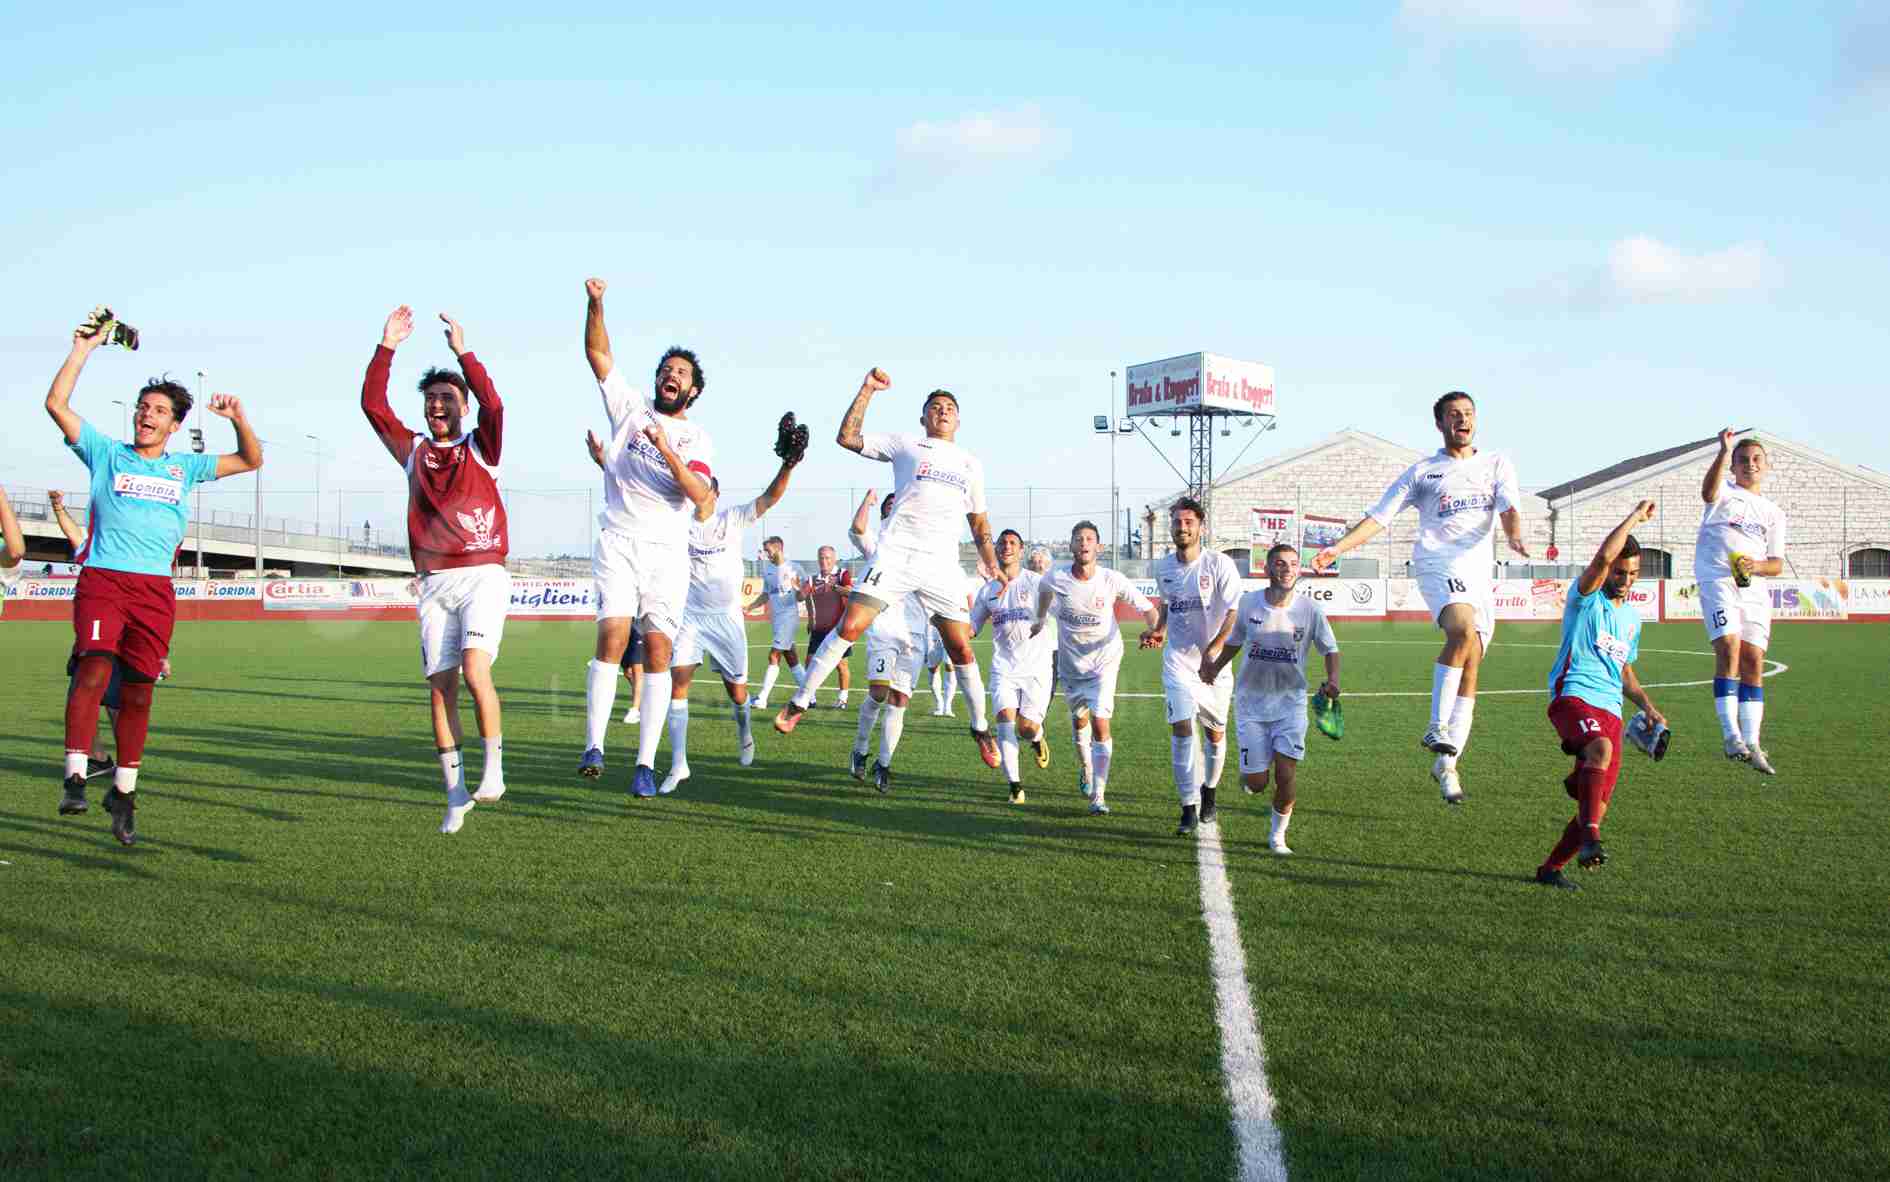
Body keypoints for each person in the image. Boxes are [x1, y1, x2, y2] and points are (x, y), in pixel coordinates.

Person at [47, 316, 262, 844]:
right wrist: (84, 350)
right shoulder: (105, 452)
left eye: (159, 412)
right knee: (94, 669)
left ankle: (123, 793)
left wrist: (238, 418)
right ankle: (75, 775)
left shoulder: (184, 469)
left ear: (174, 425)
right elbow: (57, 405)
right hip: (103, 579)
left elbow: (252, 459)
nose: (147, 415)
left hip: (154, 591)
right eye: (144, 408)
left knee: (140, 693)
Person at [774, 369, 1002, 775]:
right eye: (935, 407)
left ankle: (981, 728)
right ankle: (801, 700)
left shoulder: (970, 463)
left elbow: (980, 523)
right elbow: (847, 438)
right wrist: (867, 390)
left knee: (961, 648)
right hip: (896, 553)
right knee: (850, 626)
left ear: (959, 420)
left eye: (949, 408)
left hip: (940, 563)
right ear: (924, 419)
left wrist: (991, 559)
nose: (942, 411)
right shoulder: (906, 443)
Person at [1312, 391, 1527, 804]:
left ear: (1475, 420)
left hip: (1481, 577)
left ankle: (1447, 766)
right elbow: (1379, 517)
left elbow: (1510, 508)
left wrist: (1515, 534)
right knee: (1461, 632)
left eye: (1468, 414)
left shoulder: (1497, 463)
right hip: (1438, 565)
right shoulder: (1423, 473)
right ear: (1440, 424)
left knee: (1471, 669)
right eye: (1453, 415)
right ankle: (1434, 726)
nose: (1462, 420)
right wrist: (1337, 549)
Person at [363, 306, 511, 835]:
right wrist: (387, 346)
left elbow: (494, 403)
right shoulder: (415, 452)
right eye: (431, 401)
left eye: (448, 399)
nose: (438, 406)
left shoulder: (482, 448)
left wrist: (462, 354)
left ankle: (493, 771)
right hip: (433, 584)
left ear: (463, 407)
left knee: (475, 670)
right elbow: (372, 406)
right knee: (439, 686)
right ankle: (454, 793)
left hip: (483, 574)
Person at [578, 277, 716, 799]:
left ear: (693, 390)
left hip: (666, 554)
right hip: (619, 541)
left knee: (658, 651)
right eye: (666, 370)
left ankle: (644, 763)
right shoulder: (631, 408)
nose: (670, 377)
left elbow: (700, 497)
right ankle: (593, 746)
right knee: (613, 638)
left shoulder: (697, 437)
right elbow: (597, 352)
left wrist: (666, 446)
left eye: (681, 374)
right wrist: (596, 303)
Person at [655, 435, 802, 794]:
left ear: (714, 493)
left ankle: (745, 732)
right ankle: (678, 764)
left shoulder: (732, 519)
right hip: (690, 617)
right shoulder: (676, 524)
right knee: (678, 686)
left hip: (726, 620)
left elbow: (770, 498)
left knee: (738, 695)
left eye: (703, 485)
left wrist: (788, 465)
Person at [1535, 502, 1666, 891]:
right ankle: (1591, 835)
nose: (1626, 580)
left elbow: (1624, 670)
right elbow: (1604, 556)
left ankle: (1551, 869)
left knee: (1597, 807)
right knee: (1600, 749)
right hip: (1573, 694)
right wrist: (1634, 518)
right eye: (1621, 572)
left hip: (1611, 707)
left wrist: (1648, 707)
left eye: (1634, 574)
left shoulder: (1632, 620)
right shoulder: (1586, 598)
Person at [1201, 544, 1340, 852]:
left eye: (1292, 563)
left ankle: (1278, 836)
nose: (1287, 568)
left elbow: (1330, 648)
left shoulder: (1310, 610)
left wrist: (1333, 680)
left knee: (1286, 773)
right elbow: (1234, 643)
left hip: (1291, 706)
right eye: (1279, 563)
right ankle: (1248, 776)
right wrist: (1214, 667)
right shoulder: (1249, 604)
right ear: (1267, 569)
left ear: (1299, 570)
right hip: (1251, 705)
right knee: (1257, 783)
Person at [1031, 520, 1159, 814]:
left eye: (1090, 539)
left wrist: (1155, 631)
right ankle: (1087, 768)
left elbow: (1148, 609)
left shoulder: (1112, 579)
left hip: (1105, 660)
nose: (1084, 543)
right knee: (1080, 722)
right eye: (1079, 539)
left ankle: (1099, 795)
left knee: (1101, 722)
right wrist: (1039, 619)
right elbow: (1043, 591)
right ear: (1072, 545)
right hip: (1071, 665)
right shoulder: (1057, 577)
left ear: (1098, 547)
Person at [49, 489, 169, 779]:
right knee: (83, 700)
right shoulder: (94, 552)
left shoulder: (142, 558)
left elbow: (153, 615)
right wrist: (59, 510)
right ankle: (99, 760)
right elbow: (74, 536)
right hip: (93, 641)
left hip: (123, 643)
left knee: (117, 704)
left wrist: (162, 655)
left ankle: (126, 761)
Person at [1143, 497, 1242, 834]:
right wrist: (1159, 630)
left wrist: (1214, 650)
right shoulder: (1164, 568)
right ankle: (1187, 805)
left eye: (1188, 522)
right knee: (1181, 727)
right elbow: (1169, 606)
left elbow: (1233, 613)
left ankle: (1209, 793)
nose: (1181, 527)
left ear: (1201, 526)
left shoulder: (1219, 565)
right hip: (1178, 663)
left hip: (1214, 667)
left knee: (1216, 735)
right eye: (1177, 522)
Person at [1695, 430, 1786, 775]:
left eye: (1757, 459)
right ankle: (1731, 735)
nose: (1750, 465)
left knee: (1753, 660)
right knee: (1729, 647)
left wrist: (1757, 566)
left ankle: (1753, 742)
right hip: (1718, 580)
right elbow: (1707, 491)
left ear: (1767, 466)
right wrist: (1723, 449)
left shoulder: (1773, 513)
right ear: (1733, 466)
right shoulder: (1724, 493)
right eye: (1743, 460)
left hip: (1754, 589)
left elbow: (1776, 563)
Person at [845, 489, 929, 792]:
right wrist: (867, 501)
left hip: (915, 635)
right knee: (879, 693)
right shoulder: (880, 545)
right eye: (890, 507)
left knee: (899, 701)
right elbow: (857, 529)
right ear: (885, 515)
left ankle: (883, 764)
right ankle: (860, 748)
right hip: (883, 628)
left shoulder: (926, 545)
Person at [972, 528, 1052, 803]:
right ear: (995, 550)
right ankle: (1015, 787)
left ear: (1021, 550)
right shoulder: (987, 591)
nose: (1006, 547)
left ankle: (1038, 737)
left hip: (1037, 667)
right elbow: (972, 628)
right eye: (1002, 543)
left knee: (1026, 728)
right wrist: (947, 625)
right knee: (1005, 720)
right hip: (1003, 666)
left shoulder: (1037, 582)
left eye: (1012, 543)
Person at [584, 430, 647, 725]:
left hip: (639, 613)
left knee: (637, 665)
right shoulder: (617, 536)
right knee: (626, 668)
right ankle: (637, 704)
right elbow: (621, 485)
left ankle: (637, 707)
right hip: (621, 606)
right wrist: (602, 462)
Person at [750, 537, 805, 709]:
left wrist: (799, 589)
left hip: (789, 617)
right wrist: (749, 607)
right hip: (777, 619)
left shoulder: (794, 568)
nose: (766, 554)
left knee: (773, 655)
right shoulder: (768, 571)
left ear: (779, 548)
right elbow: (766, 594)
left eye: (768, 550)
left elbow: (803, 596)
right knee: (792, 659)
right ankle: (809, 697)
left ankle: (762, 698)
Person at [803, 544, 854, 708]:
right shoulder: (812, 578)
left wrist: (834, 587)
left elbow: (850, 592)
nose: (824, 561)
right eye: (821, 558)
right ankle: (810, 697)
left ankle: (843, 698)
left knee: (841, 664)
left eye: (827, 558)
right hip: (819, 628)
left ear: (834, 559)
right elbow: (803, 597)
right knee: (810, 662)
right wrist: (811, 618)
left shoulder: (842, 574)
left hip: (839, 629)